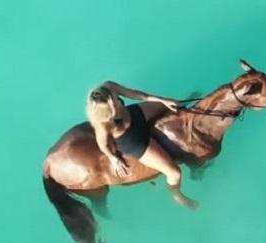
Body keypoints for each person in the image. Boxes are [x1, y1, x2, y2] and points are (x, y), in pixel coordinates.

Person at [85, 81, 198, 209]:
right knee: (174, 173)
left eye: (116, 98)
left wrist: (163, 100)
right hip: (132, 140)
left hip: (135, 115)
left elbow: (138, 95)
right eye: (116, 103)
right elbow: (103, 144)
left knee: (174, 104)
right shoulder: (102, 124)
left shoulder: (108, 87)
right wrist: (113, 158)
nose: (118, 100)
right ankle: (177, 195)